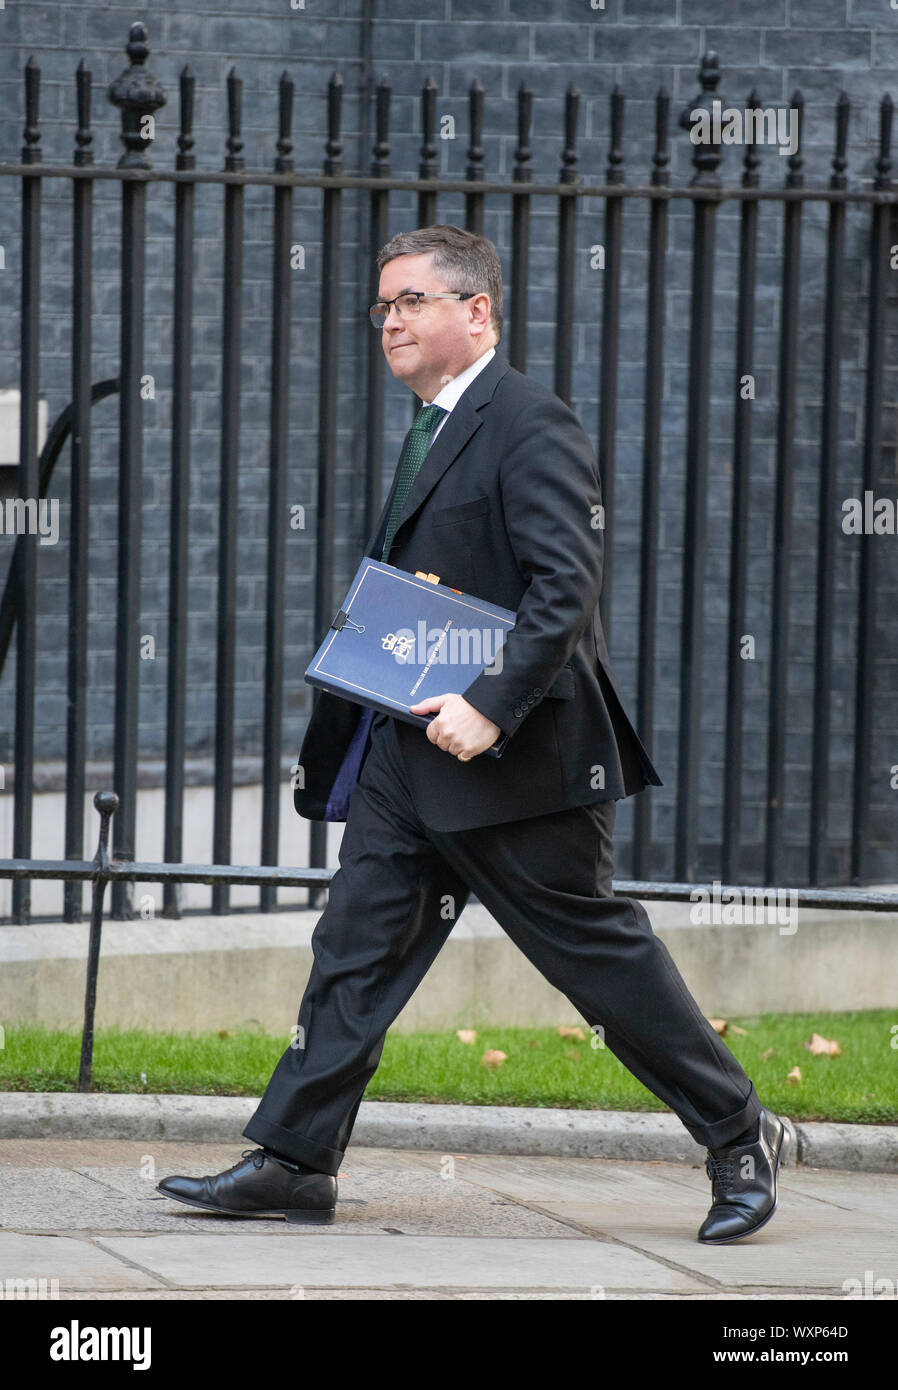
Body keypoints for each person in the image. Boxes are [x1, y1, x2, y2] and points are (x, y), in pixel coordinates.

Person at [158, 224, 790, 1242]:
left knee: (596, 960)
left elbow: (565, 587)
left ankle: (736, 1133)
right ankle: (292, 1159)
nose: (391, 322)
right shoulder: (433, 425)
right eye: (383, 306)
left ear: (476, 311)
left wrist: (489, 705)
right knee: (353, 954)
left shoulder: (528, 422)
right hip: (403, 755)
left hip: (518, 762)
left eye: (411, 301)